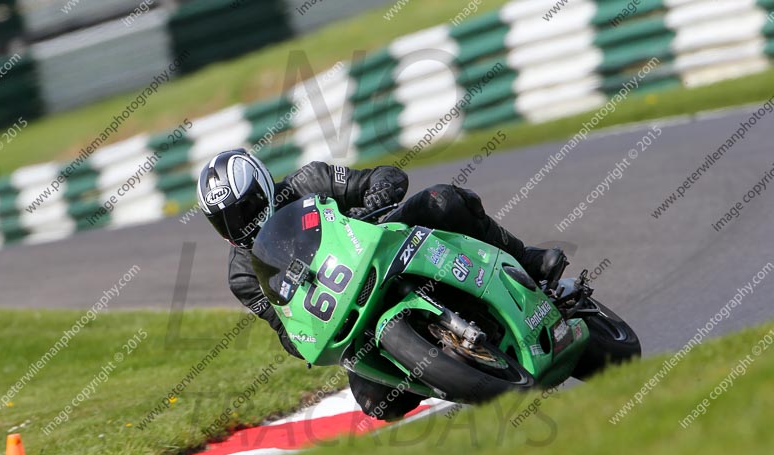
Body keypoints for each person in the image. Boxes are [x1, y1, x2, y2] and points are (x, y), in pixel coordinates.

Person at [198, 148, 564, 420]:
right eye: (224, 221)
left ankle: (527, 260)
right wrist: (301, 339)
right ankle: (450, 370)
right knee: (378, 405)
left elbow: (384, 177)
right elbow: (283, 326)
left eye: (243, 210)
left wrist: (375, 197)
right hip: (348, 315)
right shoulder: (243, 276)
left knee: (443, 201)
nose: (238, 225)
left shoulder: (310, 181)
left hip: (385, 248)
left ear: (262, 187)